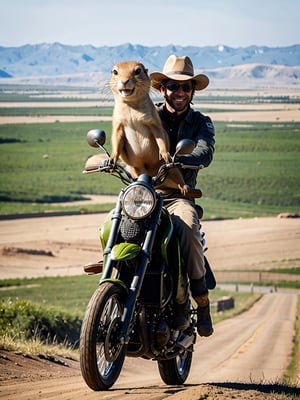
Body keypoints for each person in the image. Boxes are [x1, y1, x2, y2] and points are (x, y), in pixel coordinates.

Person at [150, 55, 215, 337]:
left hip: (179, 196)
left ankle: (200, 303)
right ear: (162, 89)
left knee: (187, 229)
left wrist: (181, 161)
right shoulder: (147, 116)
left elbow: (205, 151)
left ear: (192, 91)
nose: (179, 92)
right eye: (173, 86)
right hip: (144, 192)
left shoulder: (201, 122)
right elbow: (129, 137)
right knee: (113, 222)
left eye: (185, 87)